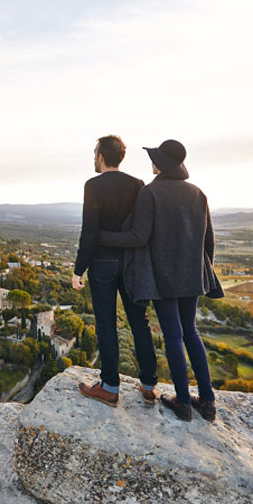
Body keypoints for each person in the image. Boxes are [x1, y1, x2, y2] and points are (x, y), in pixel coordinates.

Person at [98, 139, 223, 422]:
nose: (151, 162)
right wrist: (203, 271)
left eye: (154, 158)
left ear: (161, 165)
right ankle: (207, 400)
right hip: (193, 275)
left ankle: (182, 400)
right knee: (191, 332)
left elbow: (138, 237)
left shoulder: (151, 193)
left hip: (164, 277)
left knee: (173, 336)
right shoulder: (197, 193)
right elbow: (209, 241)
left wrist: (100, 237)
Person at [72, 135, 157, 408]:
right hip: (131, 263)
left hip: (102, 263)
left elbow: (90, 231)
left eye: (94, 152)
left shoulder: (93, 185)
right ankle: (148, 385)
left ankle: (109, 387)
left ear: (100, 157)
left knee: (107, 325)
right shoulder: (138, 185)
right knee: (139, 321)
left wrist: (78, 269)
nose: (94, 157)